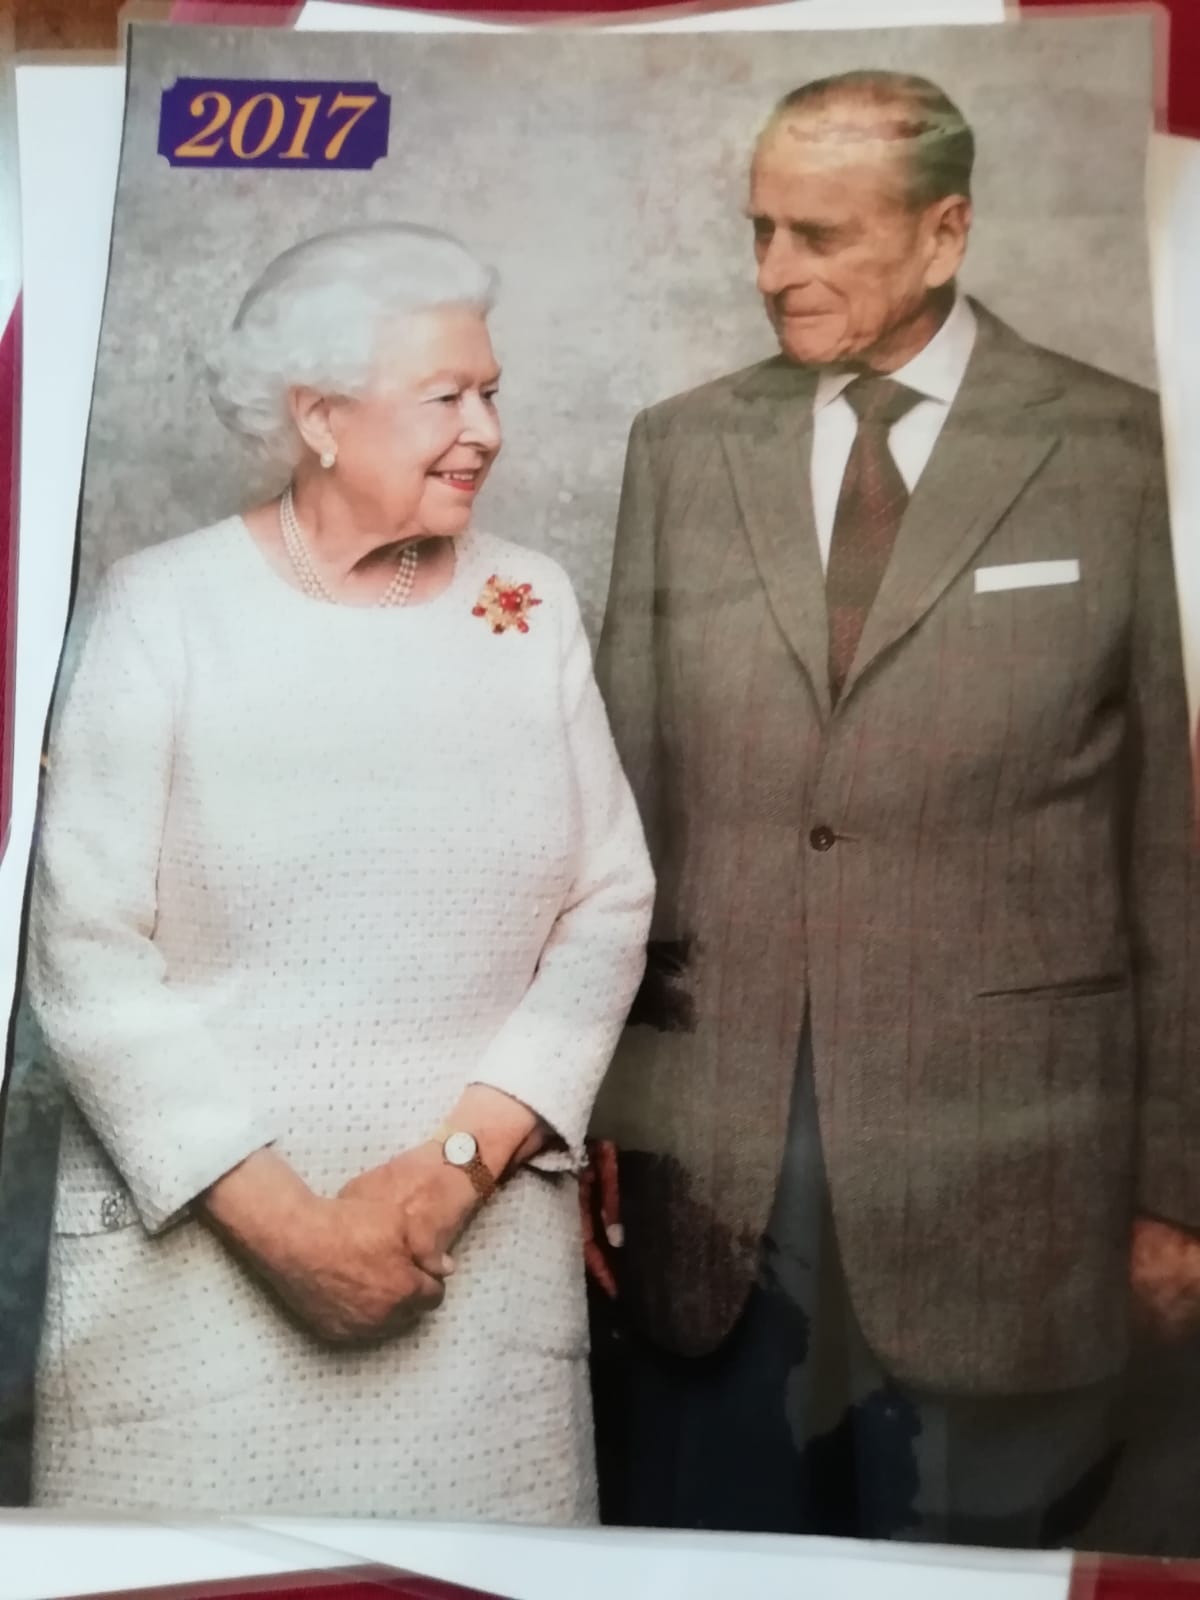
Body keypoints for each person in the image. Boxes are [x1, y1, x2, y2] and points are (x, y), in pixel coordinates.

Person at [588, 71, 1200, 1547]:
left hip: (1017, 1191)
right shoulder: (680, 446)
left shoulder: (1126, 447)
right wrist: (597, 1121)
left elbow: (1173, 850)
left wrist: (1180, 1184)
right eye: (760, 231)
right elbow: (620, 819)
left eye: (820, 235)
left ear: (946, 232)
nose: (774, 272)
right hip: (716, 1178)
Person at [26, 222, 654, 1520]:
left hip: (470, 1283)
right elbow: (82, 948)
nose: (485, 430)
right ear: (318, 416)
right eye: (446, 397)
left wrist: (453, 1171)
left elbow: (608, 907)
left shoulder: (528, 604)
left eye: (492, 393)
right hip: (192, 1293)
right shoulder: (162, 609)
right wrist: (292, 1235)